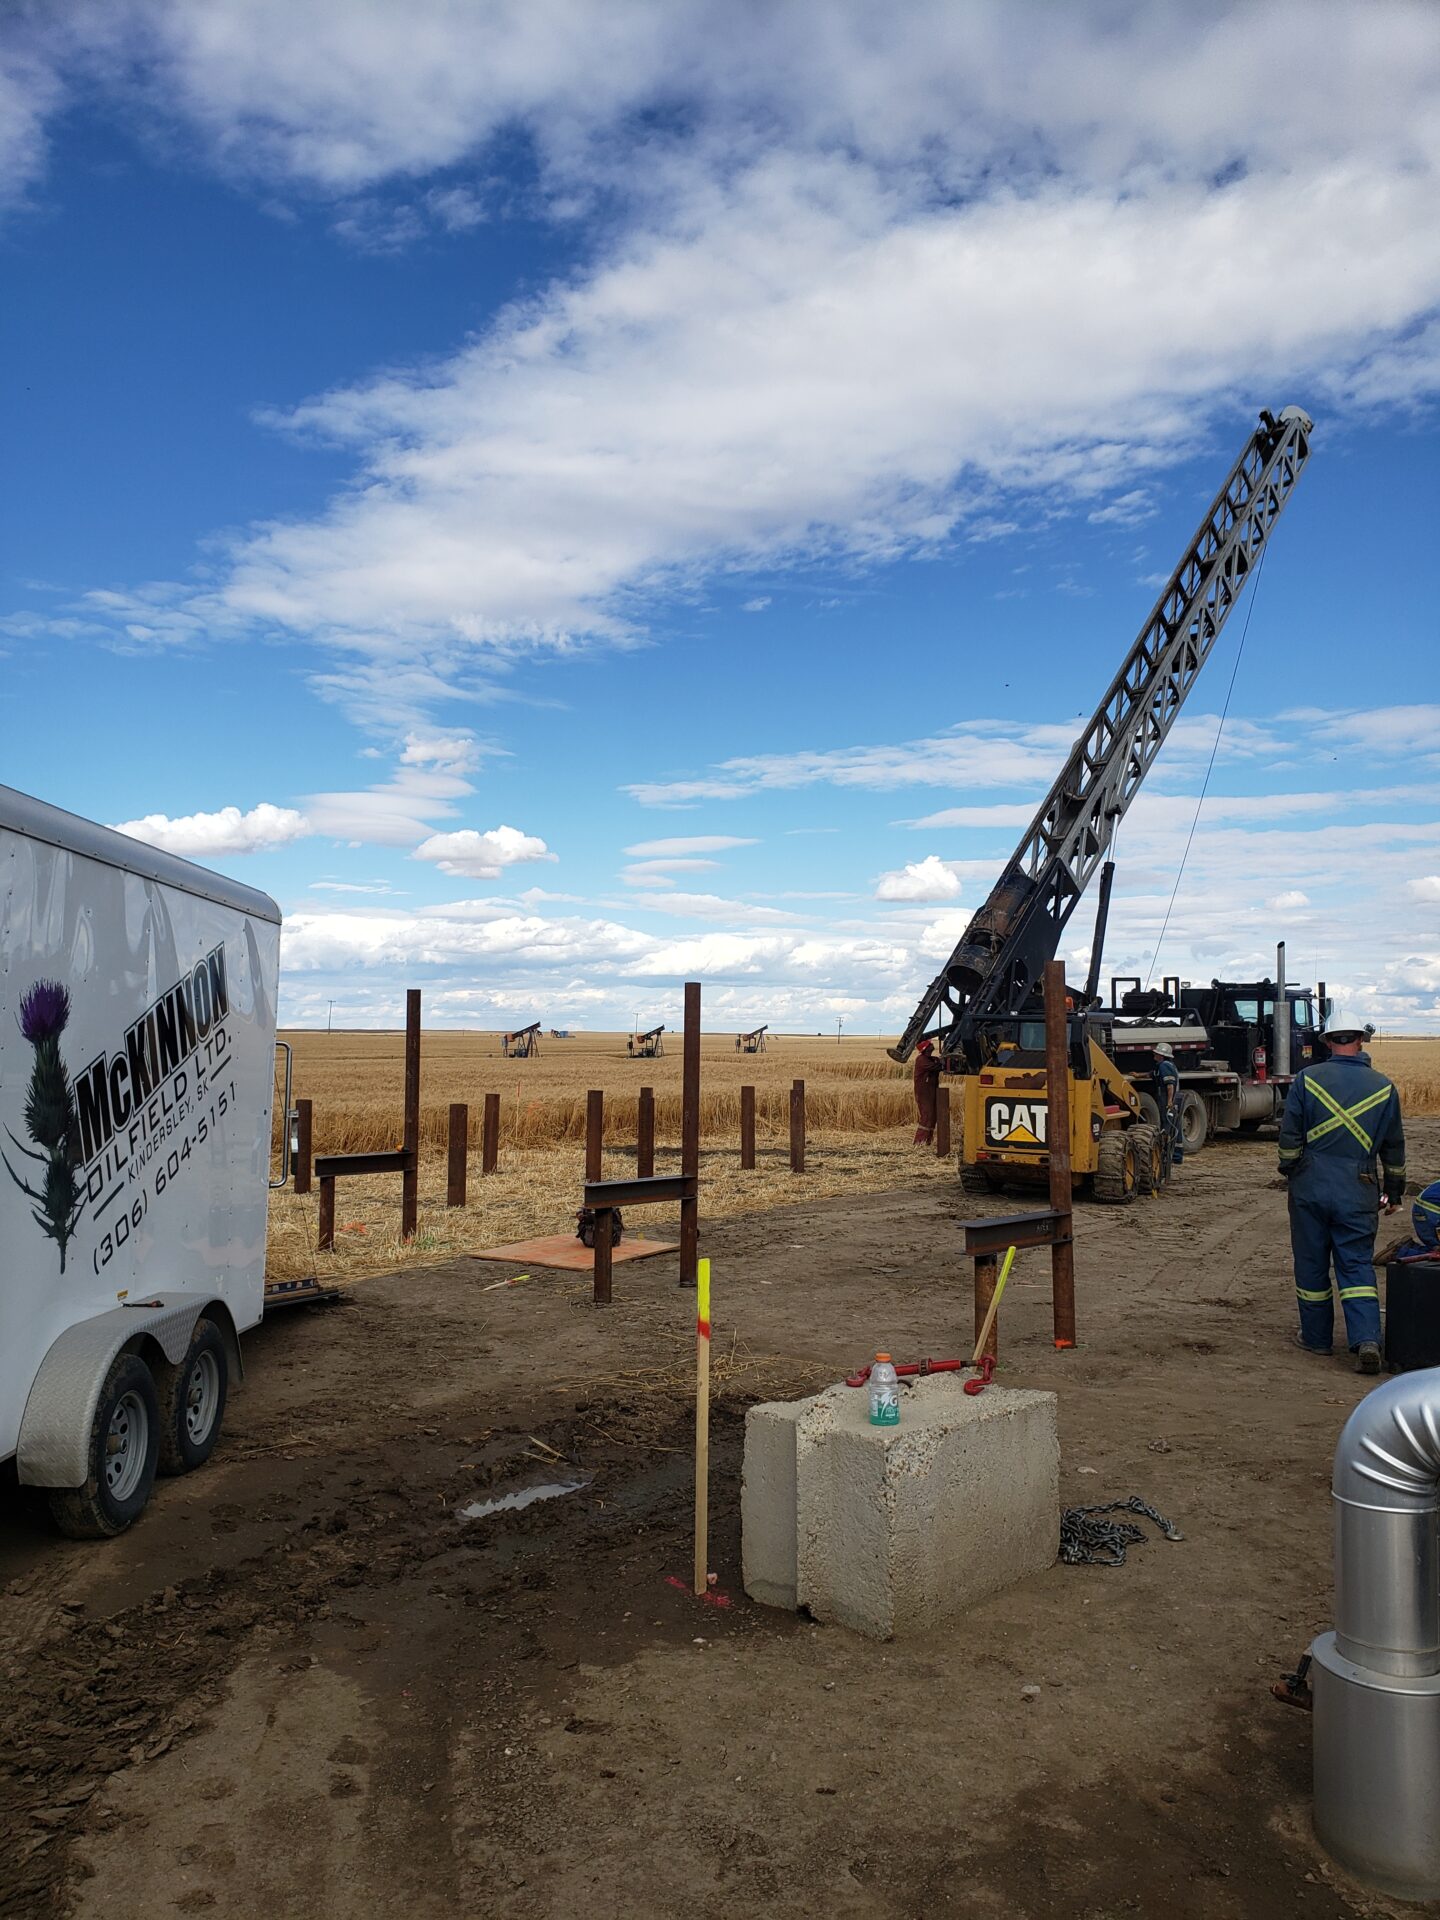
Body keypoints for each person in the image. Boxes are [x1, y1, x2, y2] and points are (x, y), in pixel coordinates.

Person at [1278, 1010, 1406, 1372]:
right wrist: (1394, 1192)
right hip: (1359, 1188)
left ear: (1328, 1041)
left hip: (1310, 1186)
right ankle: (1366, 1339)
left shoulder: (1307, 1080)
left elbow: (1290, 1137)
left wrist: (1291, 1168)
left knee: (1311, 1263)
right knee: (1356, 1265)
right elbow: (1394, 1149)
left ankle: (1316, 1338)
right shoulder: (1384, 1087)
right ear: (1360, 1040)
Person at [1152, 1042, 1183, 1173]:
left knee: (1168, 1127)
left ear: (1161, 1055)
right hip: (1167, 1099)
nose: (1154, 1055)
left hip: (1168, 1100)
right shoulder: (1164, 1066)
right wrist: (1139, 1075)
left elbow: (1170, 1085)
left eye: (1156, 1053)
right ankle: (1175, 1156)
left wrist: (1169, 1101)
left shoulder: (1164, 1066)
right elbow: (1152, 1074)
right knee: (1172, 1126)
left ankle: (1172, 1156)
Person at [913, 1038, 941, 1146]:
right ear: (926, 1048)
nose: (932, 1045)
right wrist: (943, 1063)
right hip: (924, 1092)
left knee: (933, 1116)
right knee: (927, 1115)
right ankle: (919, 1142)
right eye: (930, 1044)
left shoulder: (930, 1058)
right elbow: (936, 1066)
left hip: (931, 1090)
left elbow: (937, 1062)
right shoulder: (921, 1060)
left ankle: (927, 1141)